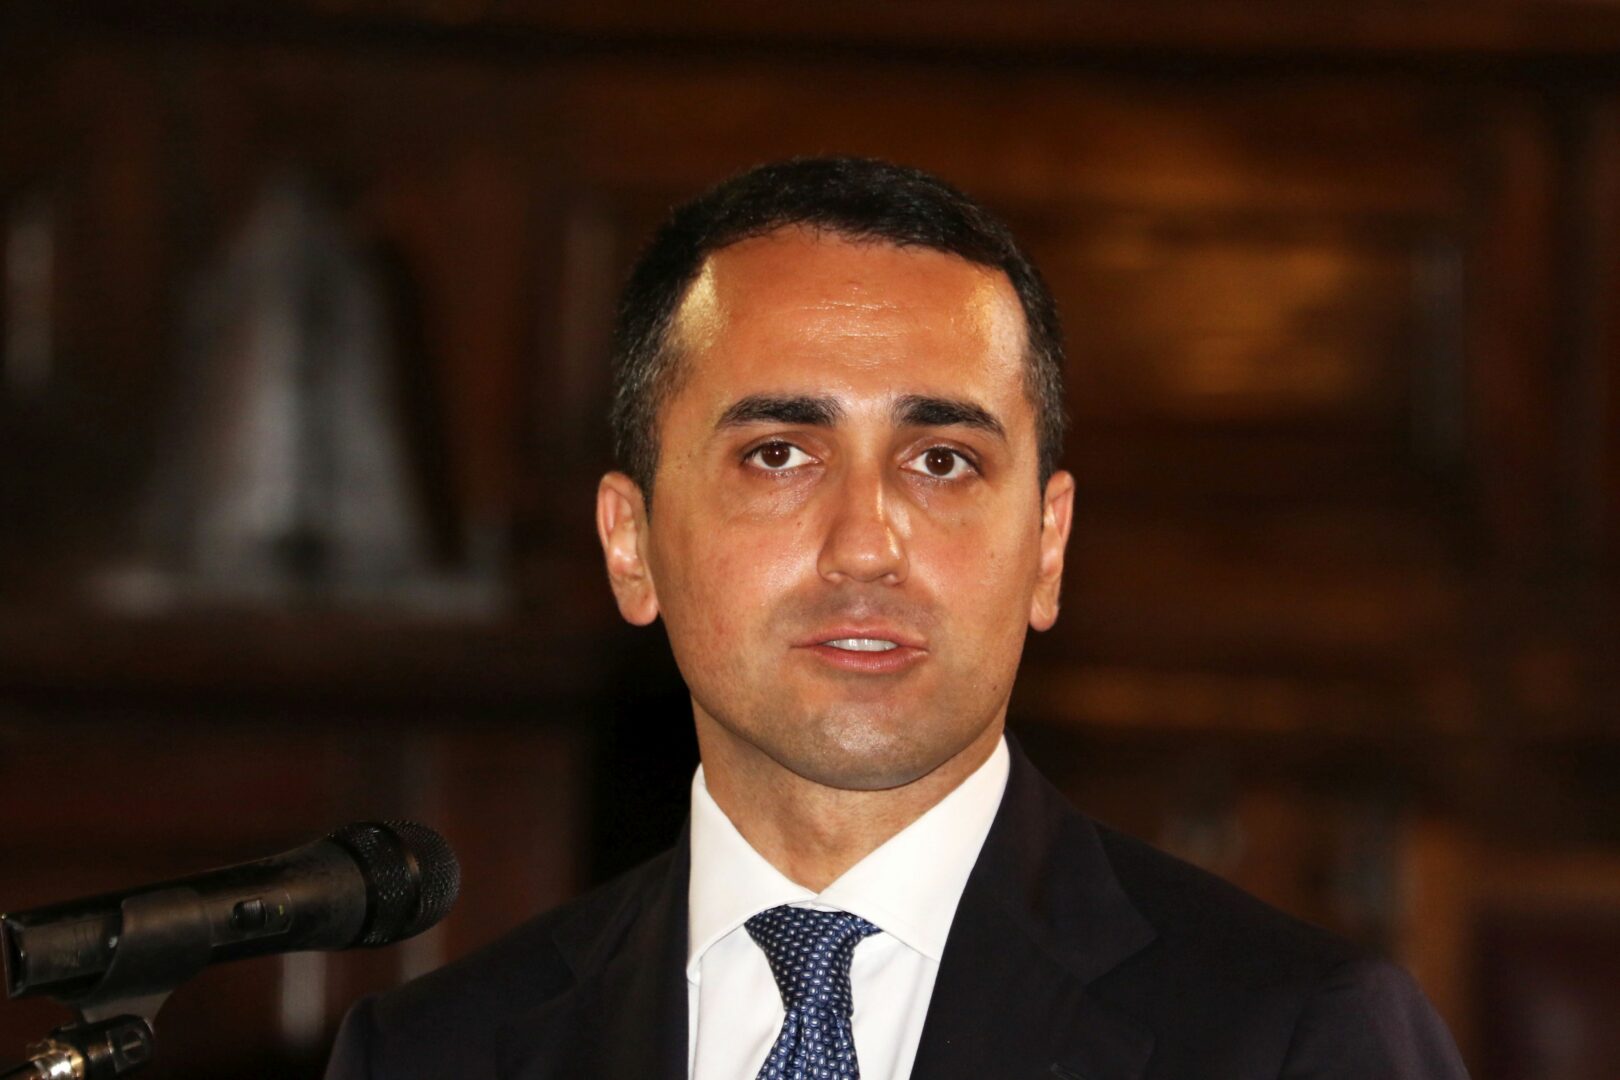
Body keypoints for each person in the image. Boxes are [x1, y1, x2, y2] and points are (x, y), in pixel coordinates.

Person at [323, 157, 1470, 1080]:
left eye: (942, 460)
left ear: (1048, 548)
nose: (866, 544)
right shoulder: (437, 1055)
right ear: (631, 545)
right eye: (779, 455)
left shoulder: (1293, 1039)